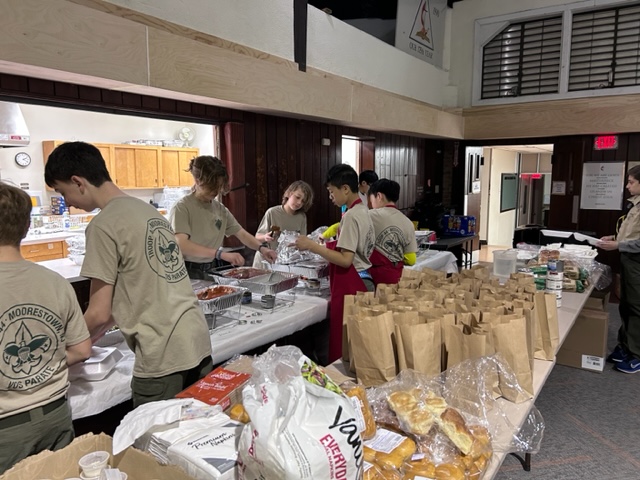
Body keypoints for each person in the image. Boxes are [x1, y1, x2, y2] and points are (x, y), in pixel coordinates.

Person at [45, 141, 213, 407]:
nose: (67, 203)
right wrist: (95, 334)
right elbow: (128, 295)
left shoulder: (102, 225)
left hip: (162, 352)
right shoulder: (147, 211)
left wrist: (58, 347)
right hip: (196, 340)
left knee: (152, 442)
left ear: (78, 182)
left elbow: (98, 312)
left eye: (62, 192)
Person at [0, 182, 91, 474]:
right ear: (27, 227)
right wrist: (41, 365)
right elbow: (81, 349)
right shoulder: (55, 282)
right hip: (55, 415)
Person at [295, 164, 375, 363]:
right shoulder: (363, 210)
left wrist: (312, 246)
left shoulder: (350, 216)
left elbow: (346, 260)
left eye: (332, 192)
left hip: (354, 283)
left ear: (345, 189)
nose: (331, 197)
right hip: (365, 281)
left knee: (346, 348)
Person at [169, 155, 277, 279]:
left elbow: (241, 233)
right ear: (197, 181)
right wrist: (219, 254)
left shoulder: (220, 209)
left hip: (211, 269)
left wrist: (262, 249)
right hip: (186, 271)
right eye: (212, 186)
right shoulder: (182, 207)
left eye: (219, 186)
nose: (216, 190)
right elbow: (182, 244)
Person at [597, 164, 640, 374]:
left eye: (632, 182)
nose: (627, 186)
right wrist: (614, 239)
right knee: (626, 305)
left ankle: (637, 354)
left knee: (636, 309)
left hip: (637, 263)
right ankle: (625, 346)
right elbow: (631, 235)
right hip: (628, 261)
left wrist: (618, 245)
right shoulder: (635, 206)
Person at [367, 179, 418, 285]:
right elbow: (412, 260)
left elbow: (345, 224)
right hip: (397, 276)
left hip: (376, 276)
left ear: (379, 196)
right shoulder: (408, 222)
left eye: (371, 200)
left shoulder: (370, 215)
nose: (371, 204)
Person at [253, 180, 314, 268]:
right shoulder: (272, 212)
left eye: (303, 201)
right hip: (266, 260)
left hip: (287, 262)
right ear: (289, 193)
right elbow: (257, 237)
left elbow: (303, 240)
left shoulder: (302, 217)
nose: (299, 203)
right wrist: (265, 237)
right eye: (297, 197)